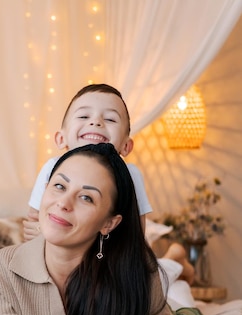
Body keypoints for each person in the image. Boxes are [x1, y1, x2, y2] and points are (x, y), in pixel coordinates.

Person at [0, 143, 209, 315]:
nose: (63, 203)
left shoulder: (138, 273)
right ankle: (176, 259)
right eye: (59, 186)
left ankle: (177, 260)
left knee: (185, 308)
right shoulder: (4, 266)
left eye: (86, 197)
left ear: (109, 223)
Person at [23, 83, 195, 284]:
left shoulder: (129, 175)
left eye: (110, 119)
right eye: (84, 116)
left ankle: (175, 259)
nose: (96, 122)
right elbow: (32, 224)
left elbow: (135, 235)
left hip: (119, 265)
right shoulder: (52, 169)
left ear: (126, 145)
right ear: (61, 138)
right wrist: (41, 233)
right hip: (68, 265)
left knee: (166, 290)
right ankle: (172, 259)